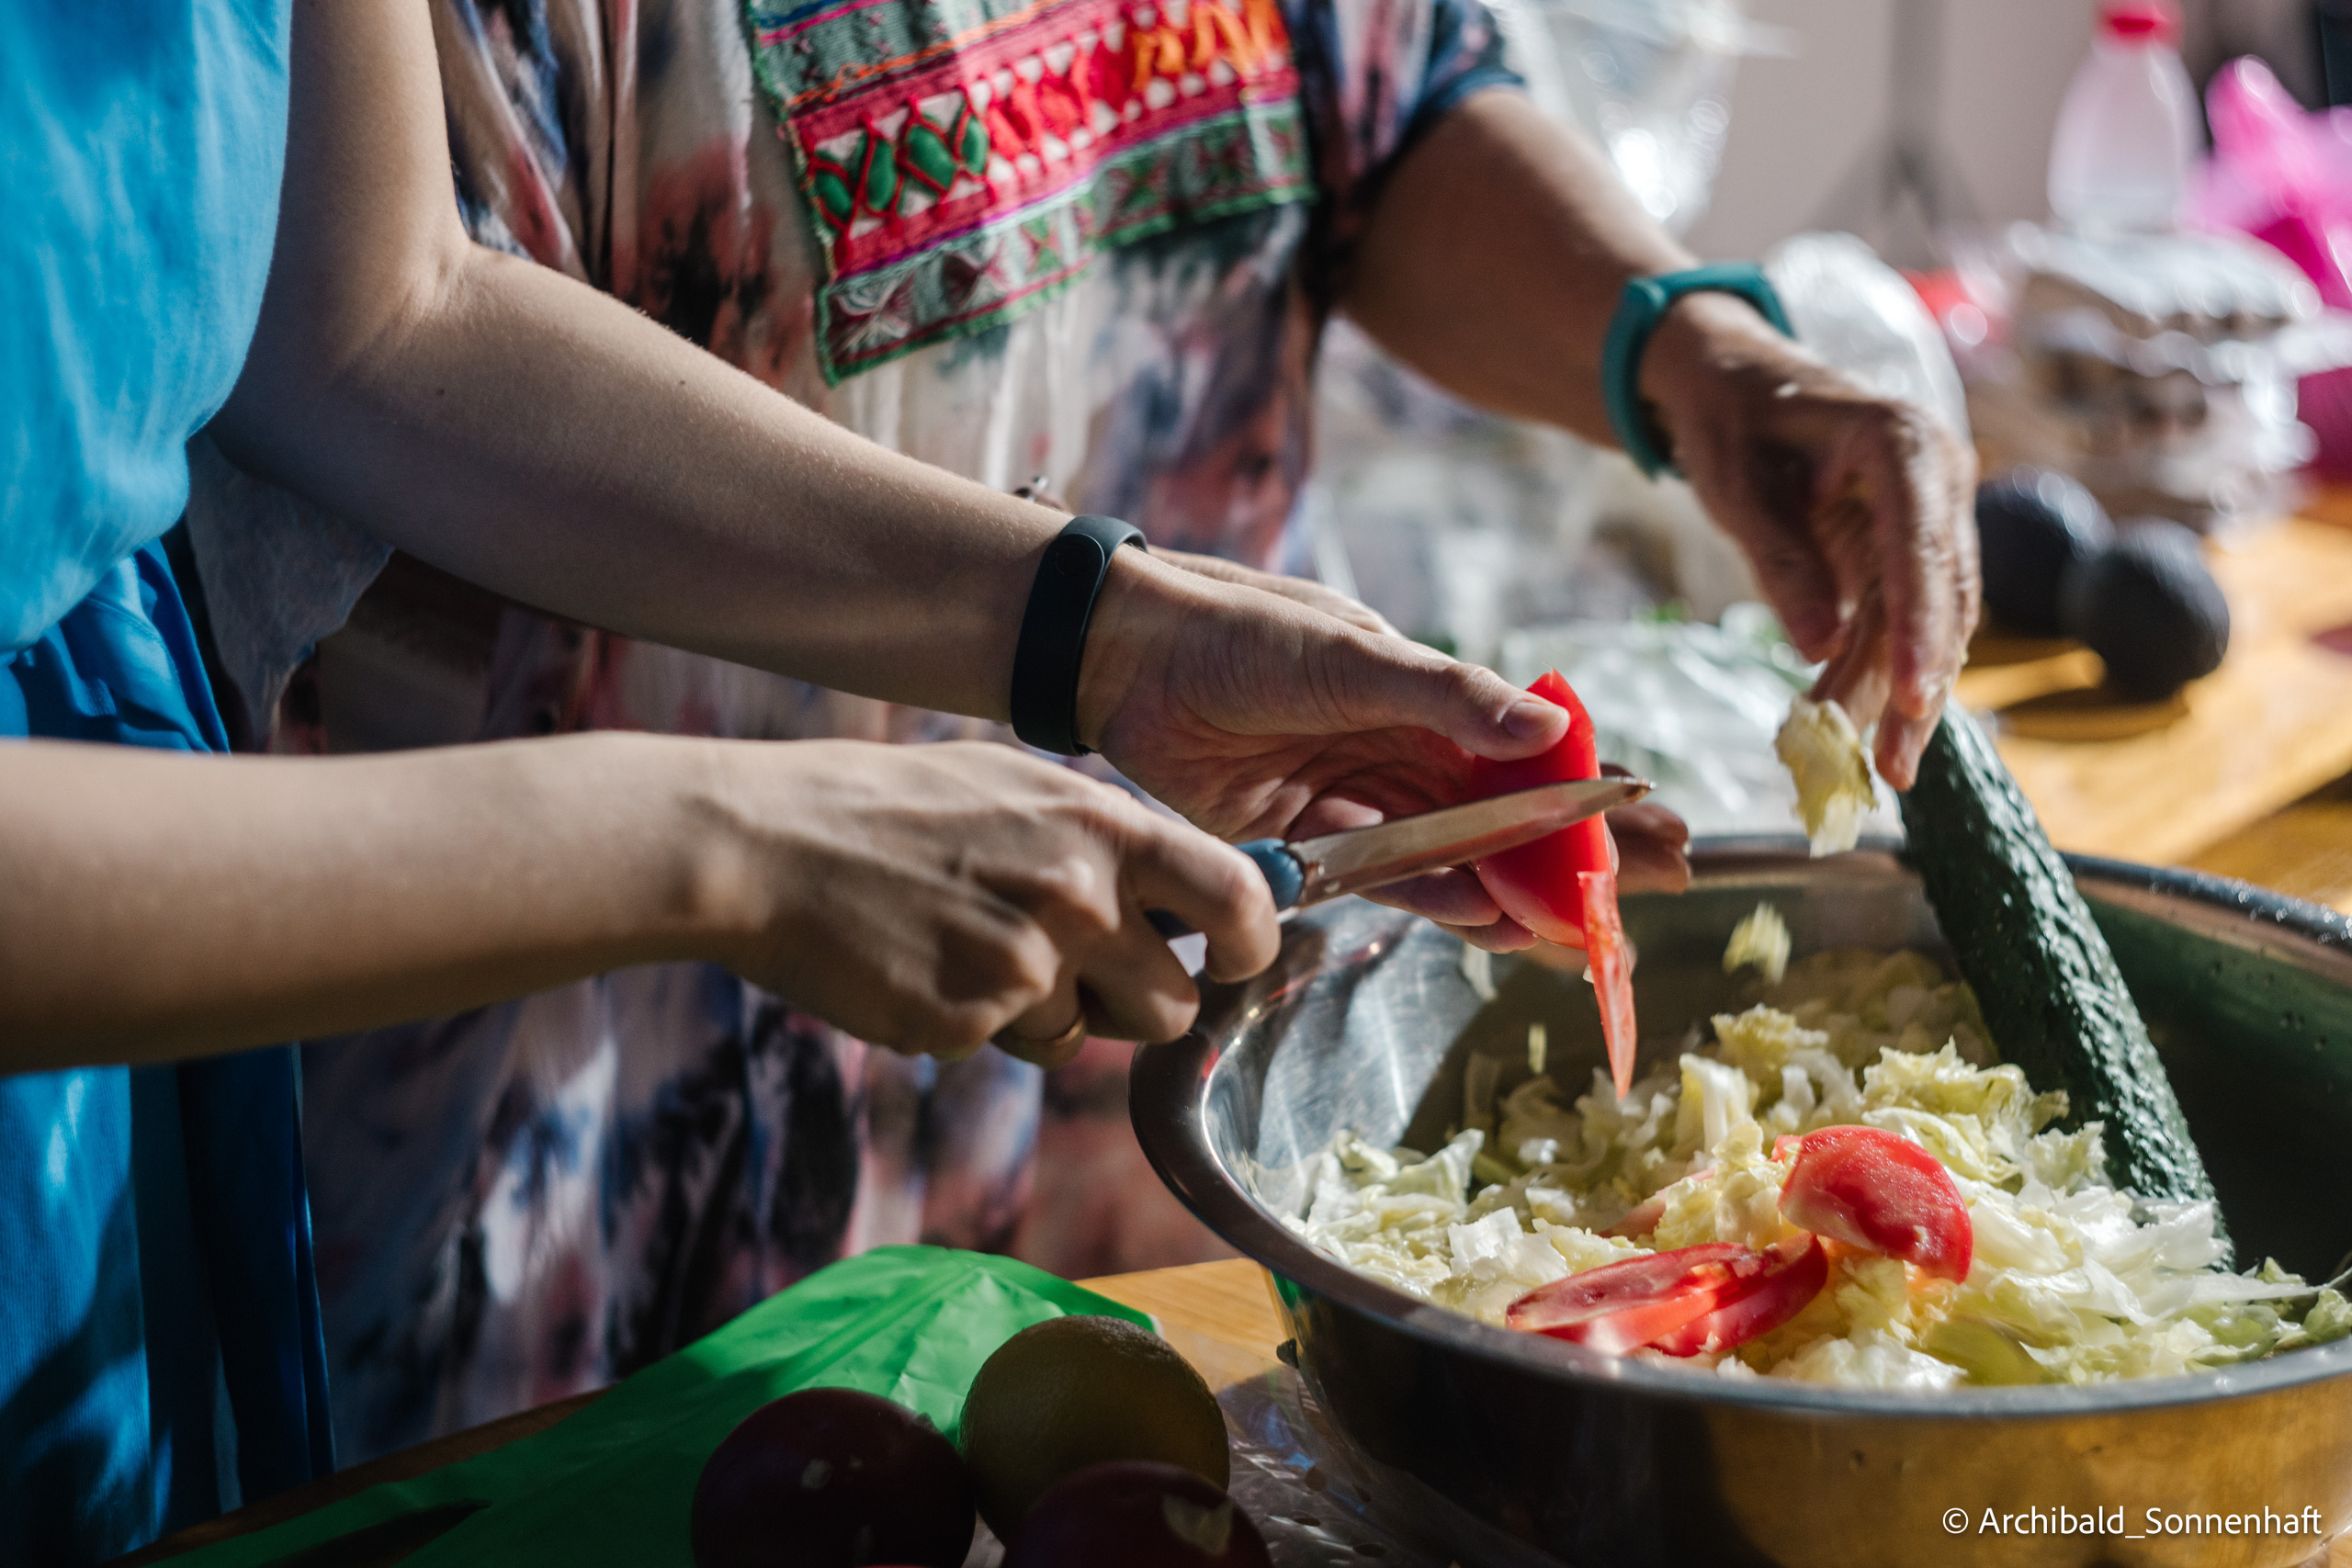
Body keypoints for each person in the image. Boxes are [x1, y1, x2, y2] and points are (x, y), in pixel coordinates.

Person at [0, 4, 1698, 1560]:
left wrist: (1099, 635)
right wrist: (715, 840)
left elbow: (377, 310)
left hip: (136, 1078)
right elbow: (375, 323)